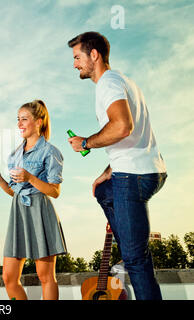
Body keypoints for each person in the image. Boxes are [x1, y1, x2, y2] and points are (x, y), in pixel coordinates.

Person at [67, 32, 167, 300]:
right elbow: (134, 136)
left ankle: (130, 248)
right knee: (103, 191)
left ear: (94, 55)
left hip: (133, 176)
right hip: (149, 170)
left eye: (78, 57)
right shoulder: (124, 81)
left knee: (137, 262)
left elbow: (122, 127)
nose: (75, 64)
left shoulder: (107, 84)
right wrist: (108, 171)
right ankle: (128, 241)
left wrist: (86, 143)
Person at [0, 100, 67, 300]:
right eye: (18, 120)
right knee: (8, 277)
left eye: (24, 119)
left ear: (38, 122)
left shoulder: (50, 152)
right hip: (18, 213)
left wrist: (30, 177)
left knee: (45, 276)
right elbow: (14, 192)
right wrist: (0, 181)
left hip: (40, 211)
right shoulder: (15, 154)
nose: (20, 124)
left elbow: (55, 191)